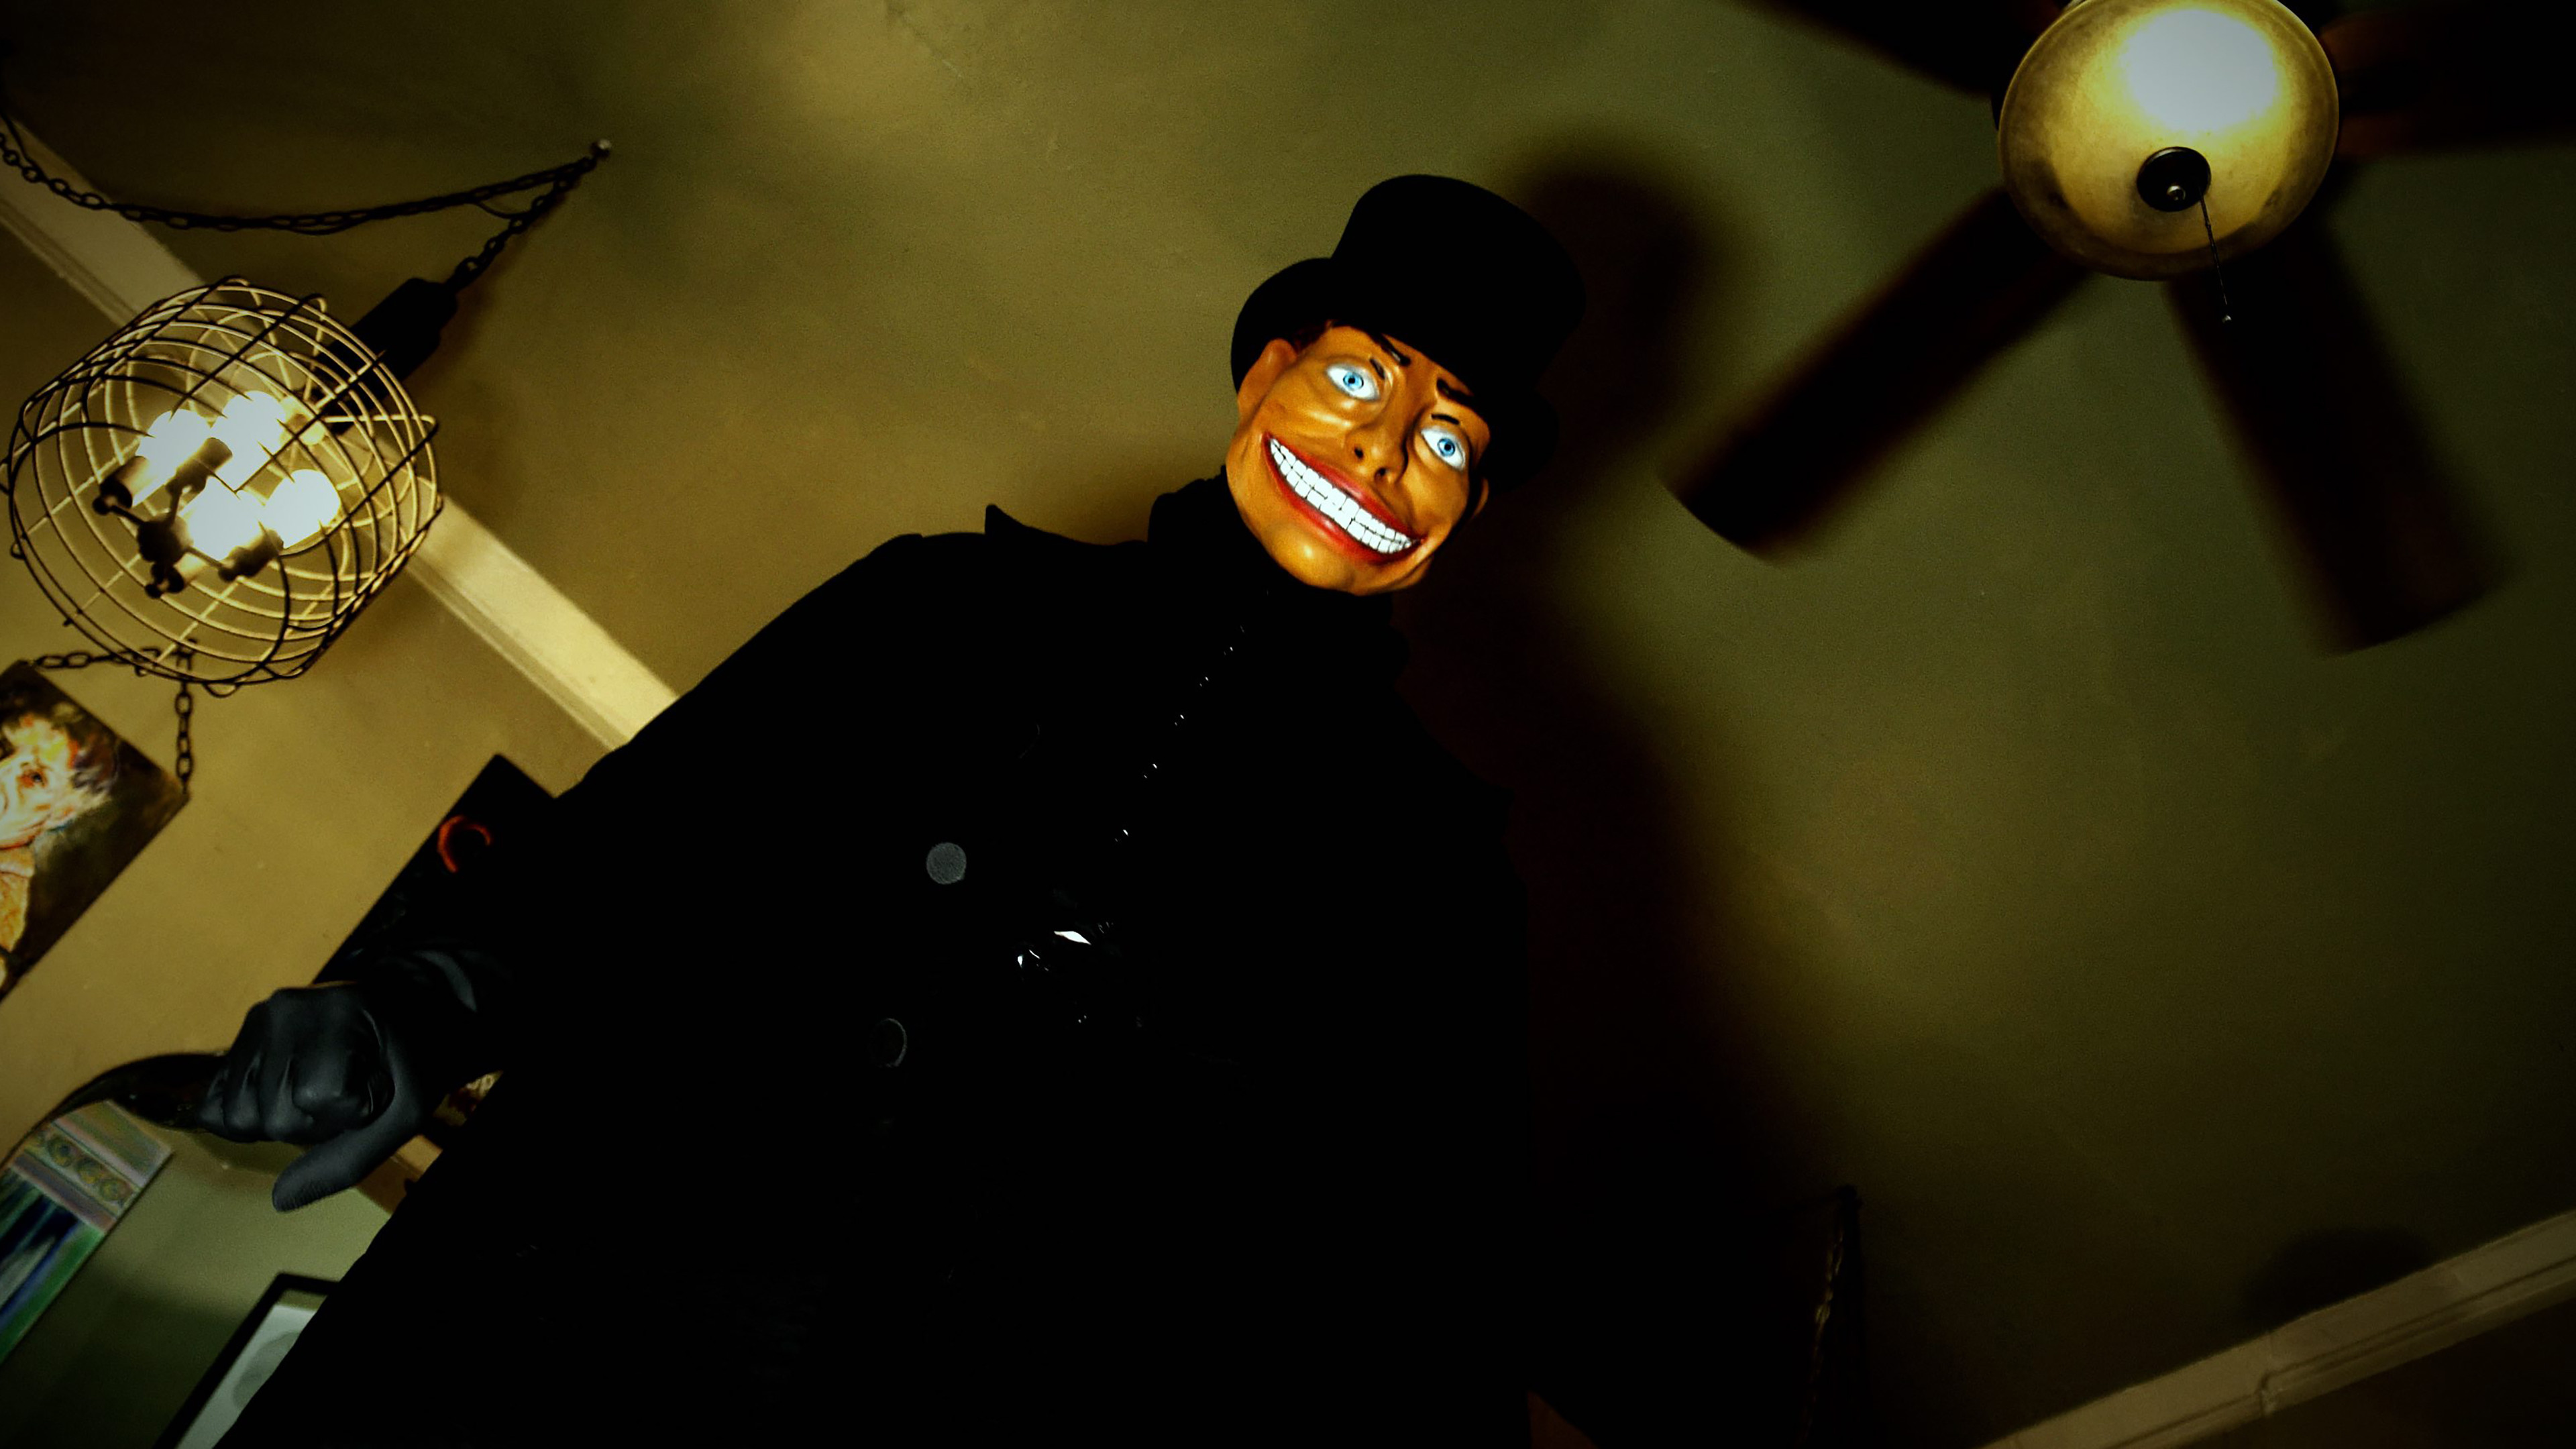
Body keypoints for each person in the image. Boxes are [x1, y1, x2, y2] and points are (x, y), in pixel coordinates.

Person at [199, 174, 1585, 1446]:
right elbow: (628, 852)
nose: (1381, 452)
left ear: (1465, 515)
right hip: (546, 1311)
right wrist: (423, 998)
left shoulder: (1439, 878)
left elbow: (1430, 1298)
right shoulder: (940, 606)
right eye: (1358, 378)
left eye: (1447, 438)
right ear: (1268, 374)